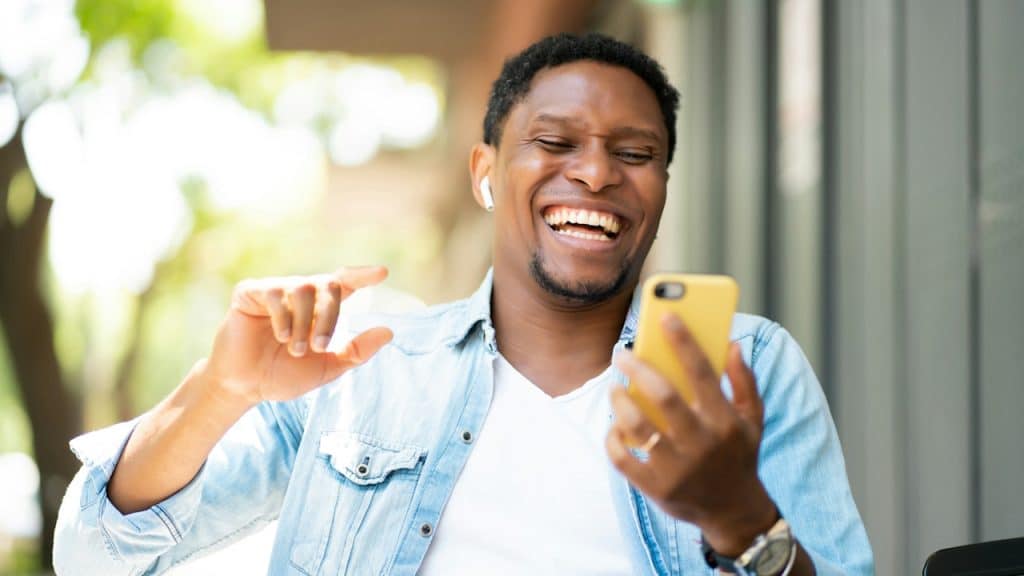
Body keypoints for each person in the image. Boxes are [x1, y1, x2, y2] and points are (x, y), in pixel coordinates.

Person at [53, 33, 873, 575]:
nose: (595, 174)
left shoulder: (746, 369)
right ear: (485, 174)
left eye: (636, 153)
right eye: (554, 144)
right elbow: (94, 552)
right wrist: (218, 391)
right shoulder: (358, 374)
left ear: (660, 188)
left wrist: (742, 524)